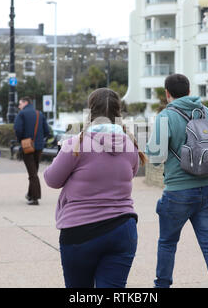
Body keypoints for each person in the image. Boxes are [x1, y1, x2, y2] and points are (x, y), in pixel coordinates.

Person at [43, 88, 146, 288]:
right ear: (119, 112)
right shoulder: (131, 146)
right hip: (123, 229)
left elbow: (52, 180)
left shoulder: (76, 144)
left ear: (90, 112)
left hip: (80, 232)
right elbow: (130, 175)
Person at [146, 74, 208, 288]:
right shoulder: (206, 112)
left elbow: (155, 158)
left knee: (167, 243)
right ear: (189, 90)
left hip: (178, 192)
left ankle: (162, 286)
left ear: (167, 93)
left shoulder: (166, 116)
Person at [14, 97, 50, 205]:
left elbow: (18, 129)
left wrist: (21, 140)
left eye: (20, 104)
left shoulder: (22, 114)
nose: (19, 106)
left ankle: (35, 197)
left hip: (27, 146)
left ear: (25, 103)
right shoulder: (39, 113)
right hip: (39, 146)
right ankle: (30, 194)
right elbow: (47, 130)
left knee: (32, 173)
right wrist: (39, 140)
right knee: (34, 171)